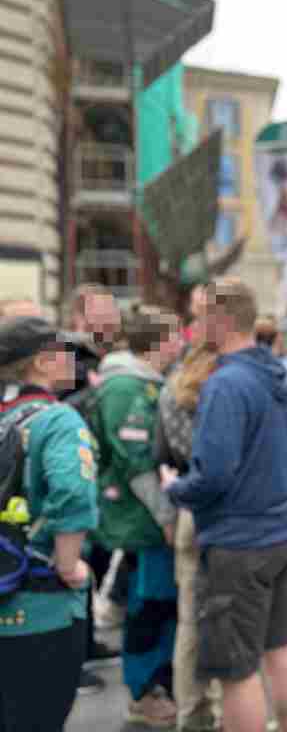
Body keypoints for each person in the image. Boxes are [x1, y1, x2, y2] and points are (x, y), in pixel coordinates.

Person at [160, 278, 287, 732]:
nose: (192, 326)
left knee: (235, 671)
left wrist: (175, 487)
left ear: (220, 320)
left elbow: (213, 475)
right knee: (279, 646)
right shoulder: (274, 373)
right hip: (280, 529)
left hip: (240, 540)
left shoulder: (225, 384)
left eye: (199, 315)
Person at [0, 316, 98, 731]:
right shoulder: (58, 420)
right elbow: (73, 494)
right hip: (40, 606)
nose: (73, 359)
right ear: (41, 362)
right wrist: (69, 563)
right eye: (65, 351)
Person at [93, 305, 183, 727]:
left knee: (161, 602)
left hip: (151, 515)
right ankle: (144, 690)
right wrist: (166, 515)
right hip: (144, 518)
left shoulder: (145, 383)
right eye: (175, 336)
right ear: (159, 341)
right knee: (150, 604)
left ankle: (158, 682)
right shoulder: (126, 387)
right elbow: (136, 462)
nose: (181, 344)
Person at [61, 283, 126, 693]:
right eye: (103, 310)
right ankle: (72, 656)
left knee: (96, 562)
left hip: (101, 476)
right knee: (75, 563)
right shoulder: (70, 356)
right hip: (76, 473)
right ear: (81, 316)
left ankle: (85, 643)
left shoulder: (102, 356)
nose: (112, 317)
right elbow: (62, 407)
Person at [156, 344, 223, 732]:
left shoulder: (169, 392)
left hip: (186, 508)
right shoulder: (223, 390)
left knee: (189, 621)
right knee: (231, 615)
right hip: (226, 509)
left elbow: (159, 453)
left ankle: (191, 711)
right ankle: (223, 704)